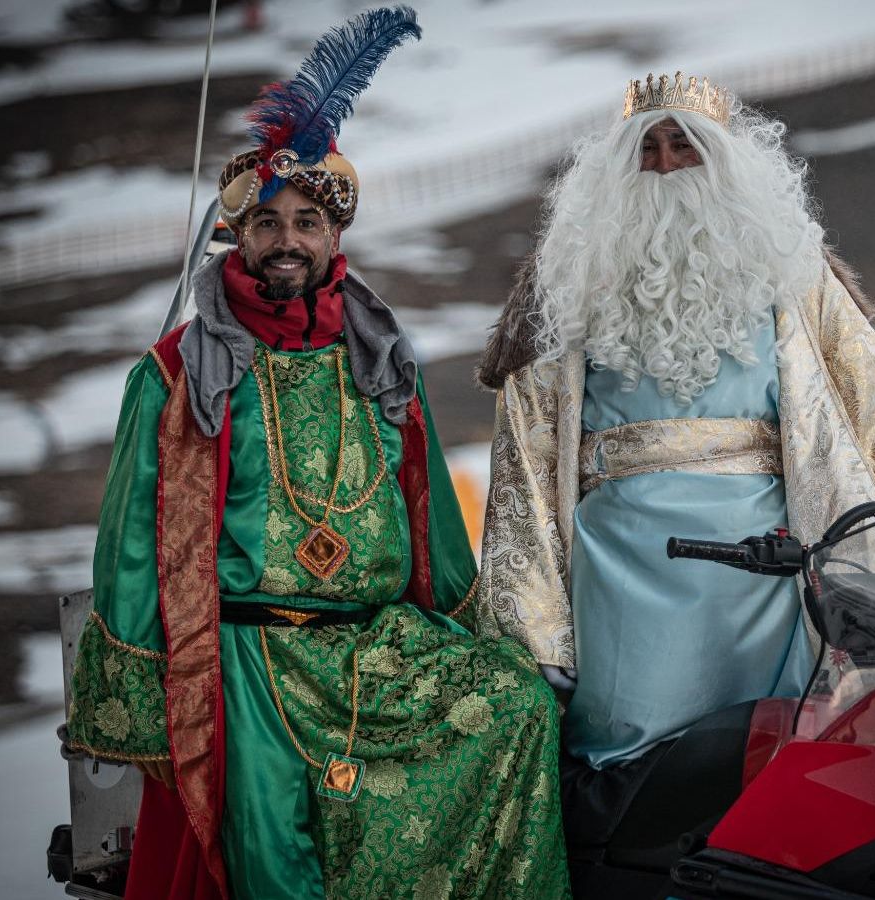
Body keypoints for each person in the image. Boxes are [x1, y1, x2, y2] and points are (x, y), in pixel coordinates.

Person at [65, 9, 568, 899]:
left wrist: (480, 630)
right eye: (266, 222)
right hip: (252, 663)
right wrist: (146, 699)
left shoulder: (379, 354)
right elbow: (133, 543)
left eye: (306, 221)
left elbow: (427, 513)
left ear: (336, 238)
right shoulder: (177, 372)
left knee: (515, 706)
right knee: (278, 870)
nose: (287, 239)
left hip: (378, 652)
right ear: (236, 236)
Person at [472, 71, 875, 774]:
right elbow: (525, 464)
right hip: (622, 561)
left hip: (765, 560)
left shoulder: (789, 269)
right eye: (649, 149)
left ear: (720, 161)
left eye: (684, 146)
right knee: (629, 768)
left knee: (770, 750)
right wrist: (535, 624)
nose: (665, 165)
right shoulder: (566, 277)